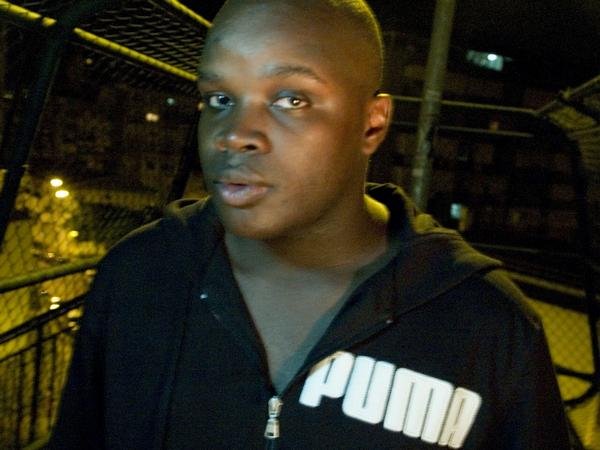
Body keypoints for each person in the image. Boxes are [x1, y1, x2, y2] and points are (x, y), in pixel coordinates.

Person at [50, 0, 571, 448]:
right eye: (220, 99)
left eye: (291, 100)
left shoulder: (485, 325)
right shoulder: (140, 274)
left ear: (372, 124)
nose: (234, 134)